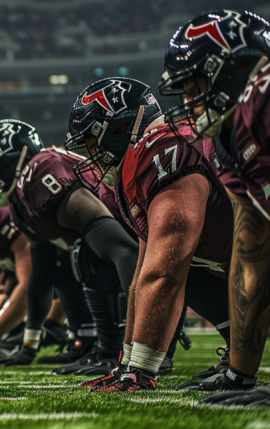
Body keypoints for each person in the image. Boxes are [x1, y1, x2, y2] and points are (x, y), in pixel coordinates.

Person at [158, 10, 270, 416]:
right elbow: (251, 261)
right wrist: (240, 375)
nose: (188, 101)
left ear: (237, 70)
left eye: (194, 85)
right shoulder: (229, 141)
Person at [65, 77, 234, 391]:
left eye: (91, 140)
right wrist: (127, 364)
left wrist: (140, 372)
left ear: (118, 129)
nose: (90, 152)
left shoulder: (162, 148)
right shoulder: (139, 160)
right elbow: (143, 275)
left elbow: (164, 274)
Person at [0, 119, 140, 376]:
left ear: (8, 161)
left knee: (85, 256)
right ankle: (97, 346)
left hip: (141, 238)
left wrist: (138, 344)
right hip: (131, 249)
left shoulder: (42, 170)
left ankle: (120, 349)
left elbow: (124, 248)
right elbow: (41, 276)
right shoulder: (20, 200)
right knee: (62, 263)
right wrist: (29, 346)